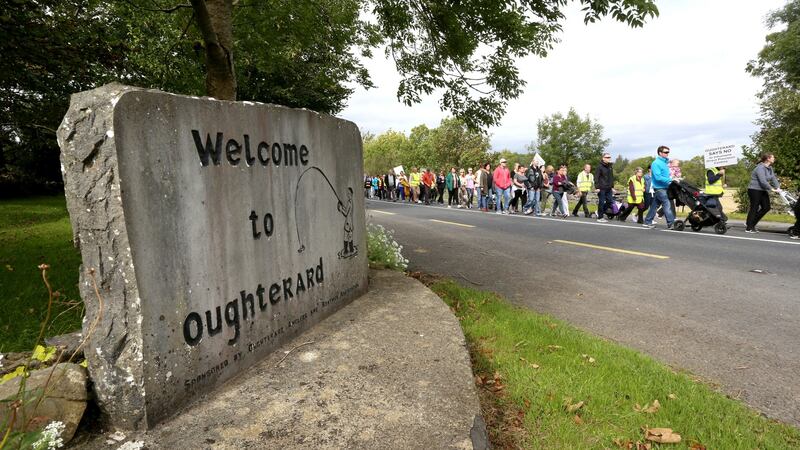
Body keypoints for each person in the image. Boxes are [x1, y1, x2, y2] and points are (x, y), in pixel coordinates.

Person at [746, 153, 781, 233]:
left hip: (762, 190)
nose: (774, 158)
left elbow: (773, 178)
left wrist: (778, 187)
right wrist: (772, 189)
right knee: (754, 208)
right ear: (768, 159)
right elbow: (763, 181)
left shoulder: (770, 168)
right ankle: (749, 227)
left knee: (766, 207)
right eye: (773, 157)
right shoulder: (760, 168)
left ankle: (750, 223)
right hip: (754, 189)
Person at [643, 146, 675, 229]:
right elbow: (658, 177)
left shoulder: (665, 163)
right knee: (667, 204)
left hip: (665, 187)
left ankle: (647, 221)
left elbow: (664, 175)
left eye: (668, 152)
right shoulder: (656, 163)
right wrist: (670, 180)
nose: (667, 153)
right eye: (665, 152)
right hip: (660, 188)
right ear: (660, 153)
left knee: (654, 206)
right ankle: (671, 223)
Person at [595, 153, 615, 223]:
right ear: (603, 158)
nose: (608, 158)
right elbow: (596, 177)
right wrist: (597, 187)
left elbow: (611, 177)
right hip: (601, 187)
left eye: (609, 157)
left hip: (609, 188)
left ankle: (599, 212)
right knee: (602, 202)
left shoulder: (610, 167)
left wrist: (612, 187)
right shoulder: (599, 167)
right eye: (607, 157)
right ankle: (600, 217)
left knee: (610, 201)